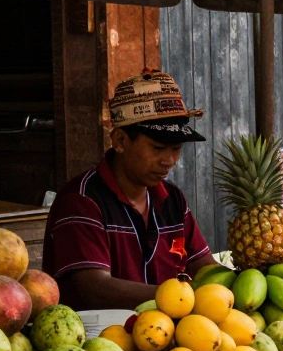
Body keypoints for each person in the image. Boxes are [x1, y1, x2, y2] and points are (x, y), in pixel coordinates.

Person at [43, 69, 216, 310]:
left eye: (176, 149)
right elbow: (95, 288)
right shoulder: (81, 201)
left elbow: (204, 267)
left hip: (168, 335)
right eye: (157, 148)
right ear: (121, 141)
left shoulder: (172, 199)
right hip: (99, 340)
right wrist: (177, 297)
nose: (169, 160)